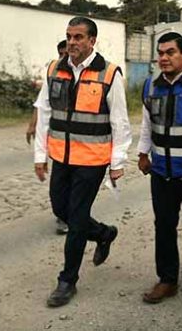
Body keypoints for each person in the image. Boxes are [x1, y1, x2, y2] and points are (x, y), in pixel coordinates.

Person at [33, 16, 132, 307]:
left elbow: (120, 121)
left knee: (76, 220)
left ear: (92, 41)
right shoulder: (54, 69)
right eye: (69, 37)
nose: (72, 42)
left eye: (78, 37)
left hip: (92, 160)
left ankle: (67, 280)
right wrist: (40, 155)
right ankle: (104, 233)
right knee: (60, 210)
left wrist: (117, 161)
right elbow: (44, 113)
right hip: (61, 157)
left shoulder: (109, 73)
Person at [137, 32, 182, 304]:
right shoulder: (151, 86)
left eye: (170, 52)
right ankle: (167, 280)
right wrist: (142, 153)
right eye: (161, 53)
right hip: (162, 173)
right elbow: (147, 124)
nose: (164, 58)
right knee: (164, 226)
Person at [26, 39, 69, 235]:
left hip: (83, 147)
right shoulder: (54, 74)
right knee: (58, 190)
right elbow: (42, 105)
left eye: (66, 53)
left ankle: (69, 219)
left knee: (74, 189)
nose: (64, 57)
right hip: (58, 142)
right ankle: (64, 214)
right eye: (61, 54)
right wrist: (32, 125)